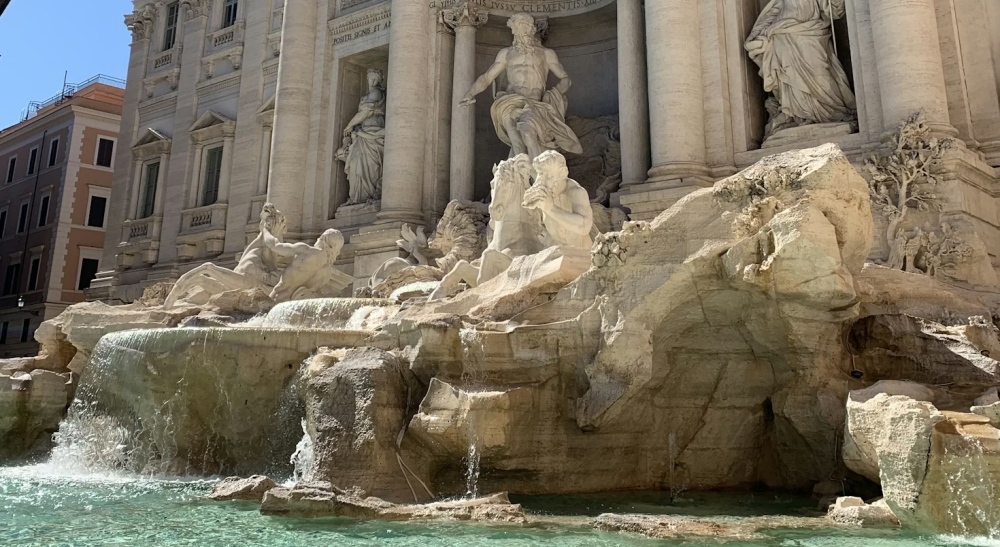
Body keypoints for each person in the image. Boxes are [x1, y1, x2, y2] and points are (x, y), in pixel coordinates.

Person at [459, 13, 582, 160]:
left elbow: (565, 78)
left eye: (525, 26)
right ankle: (523, 178)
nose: (521, 30)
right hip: (509, 102)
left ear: (532, 29)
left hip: (534, 103)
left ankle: (539, 176)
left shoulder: (546, 54)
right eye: (518, 26)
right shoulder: (506, 54)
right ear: (513, 30)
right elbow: (486, 77)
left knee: (528, 134)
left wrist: (554, 94)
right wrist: (470, 93)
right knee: (517, 144)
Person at [745, 0, 856, 139]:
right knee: (789, 76)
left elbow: (833, 10)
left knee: (820, 74)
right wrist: (760, 34)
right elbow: (773, 11)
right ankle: (798, 116)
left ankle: (831, 113)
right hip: (781, 34)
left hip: (811, 31)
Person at [522, 151, 593, 249]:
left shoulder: (576, 192)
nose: (544, 182)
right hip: (554, 249)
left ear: (562, 173)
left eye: (549, 176)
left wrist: (551, 208)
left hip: (581, 252)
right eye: (541, 176)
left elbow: (584, 227)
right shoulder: (546, 193)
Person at [336, 68, 386, 205]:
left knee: (371, 165)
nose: (373, 80)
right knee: (357, 163)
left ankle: (367, 196)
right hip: (363, 132)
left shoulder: (376, 93)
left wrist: (349, 125)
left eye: (376, 78)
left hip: (373, 132)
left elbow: (365, 113)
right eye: (371, 77)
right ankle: (357, 198)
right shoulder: (367, 95)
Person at [261, 227, 347, 302]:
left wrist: (265, 230)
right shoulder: (327, 273)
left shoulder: (305, 251)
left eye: (319, 238)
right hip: (292, 306)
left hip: (277, 299)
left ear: (323, 239)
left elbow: (274, 245)